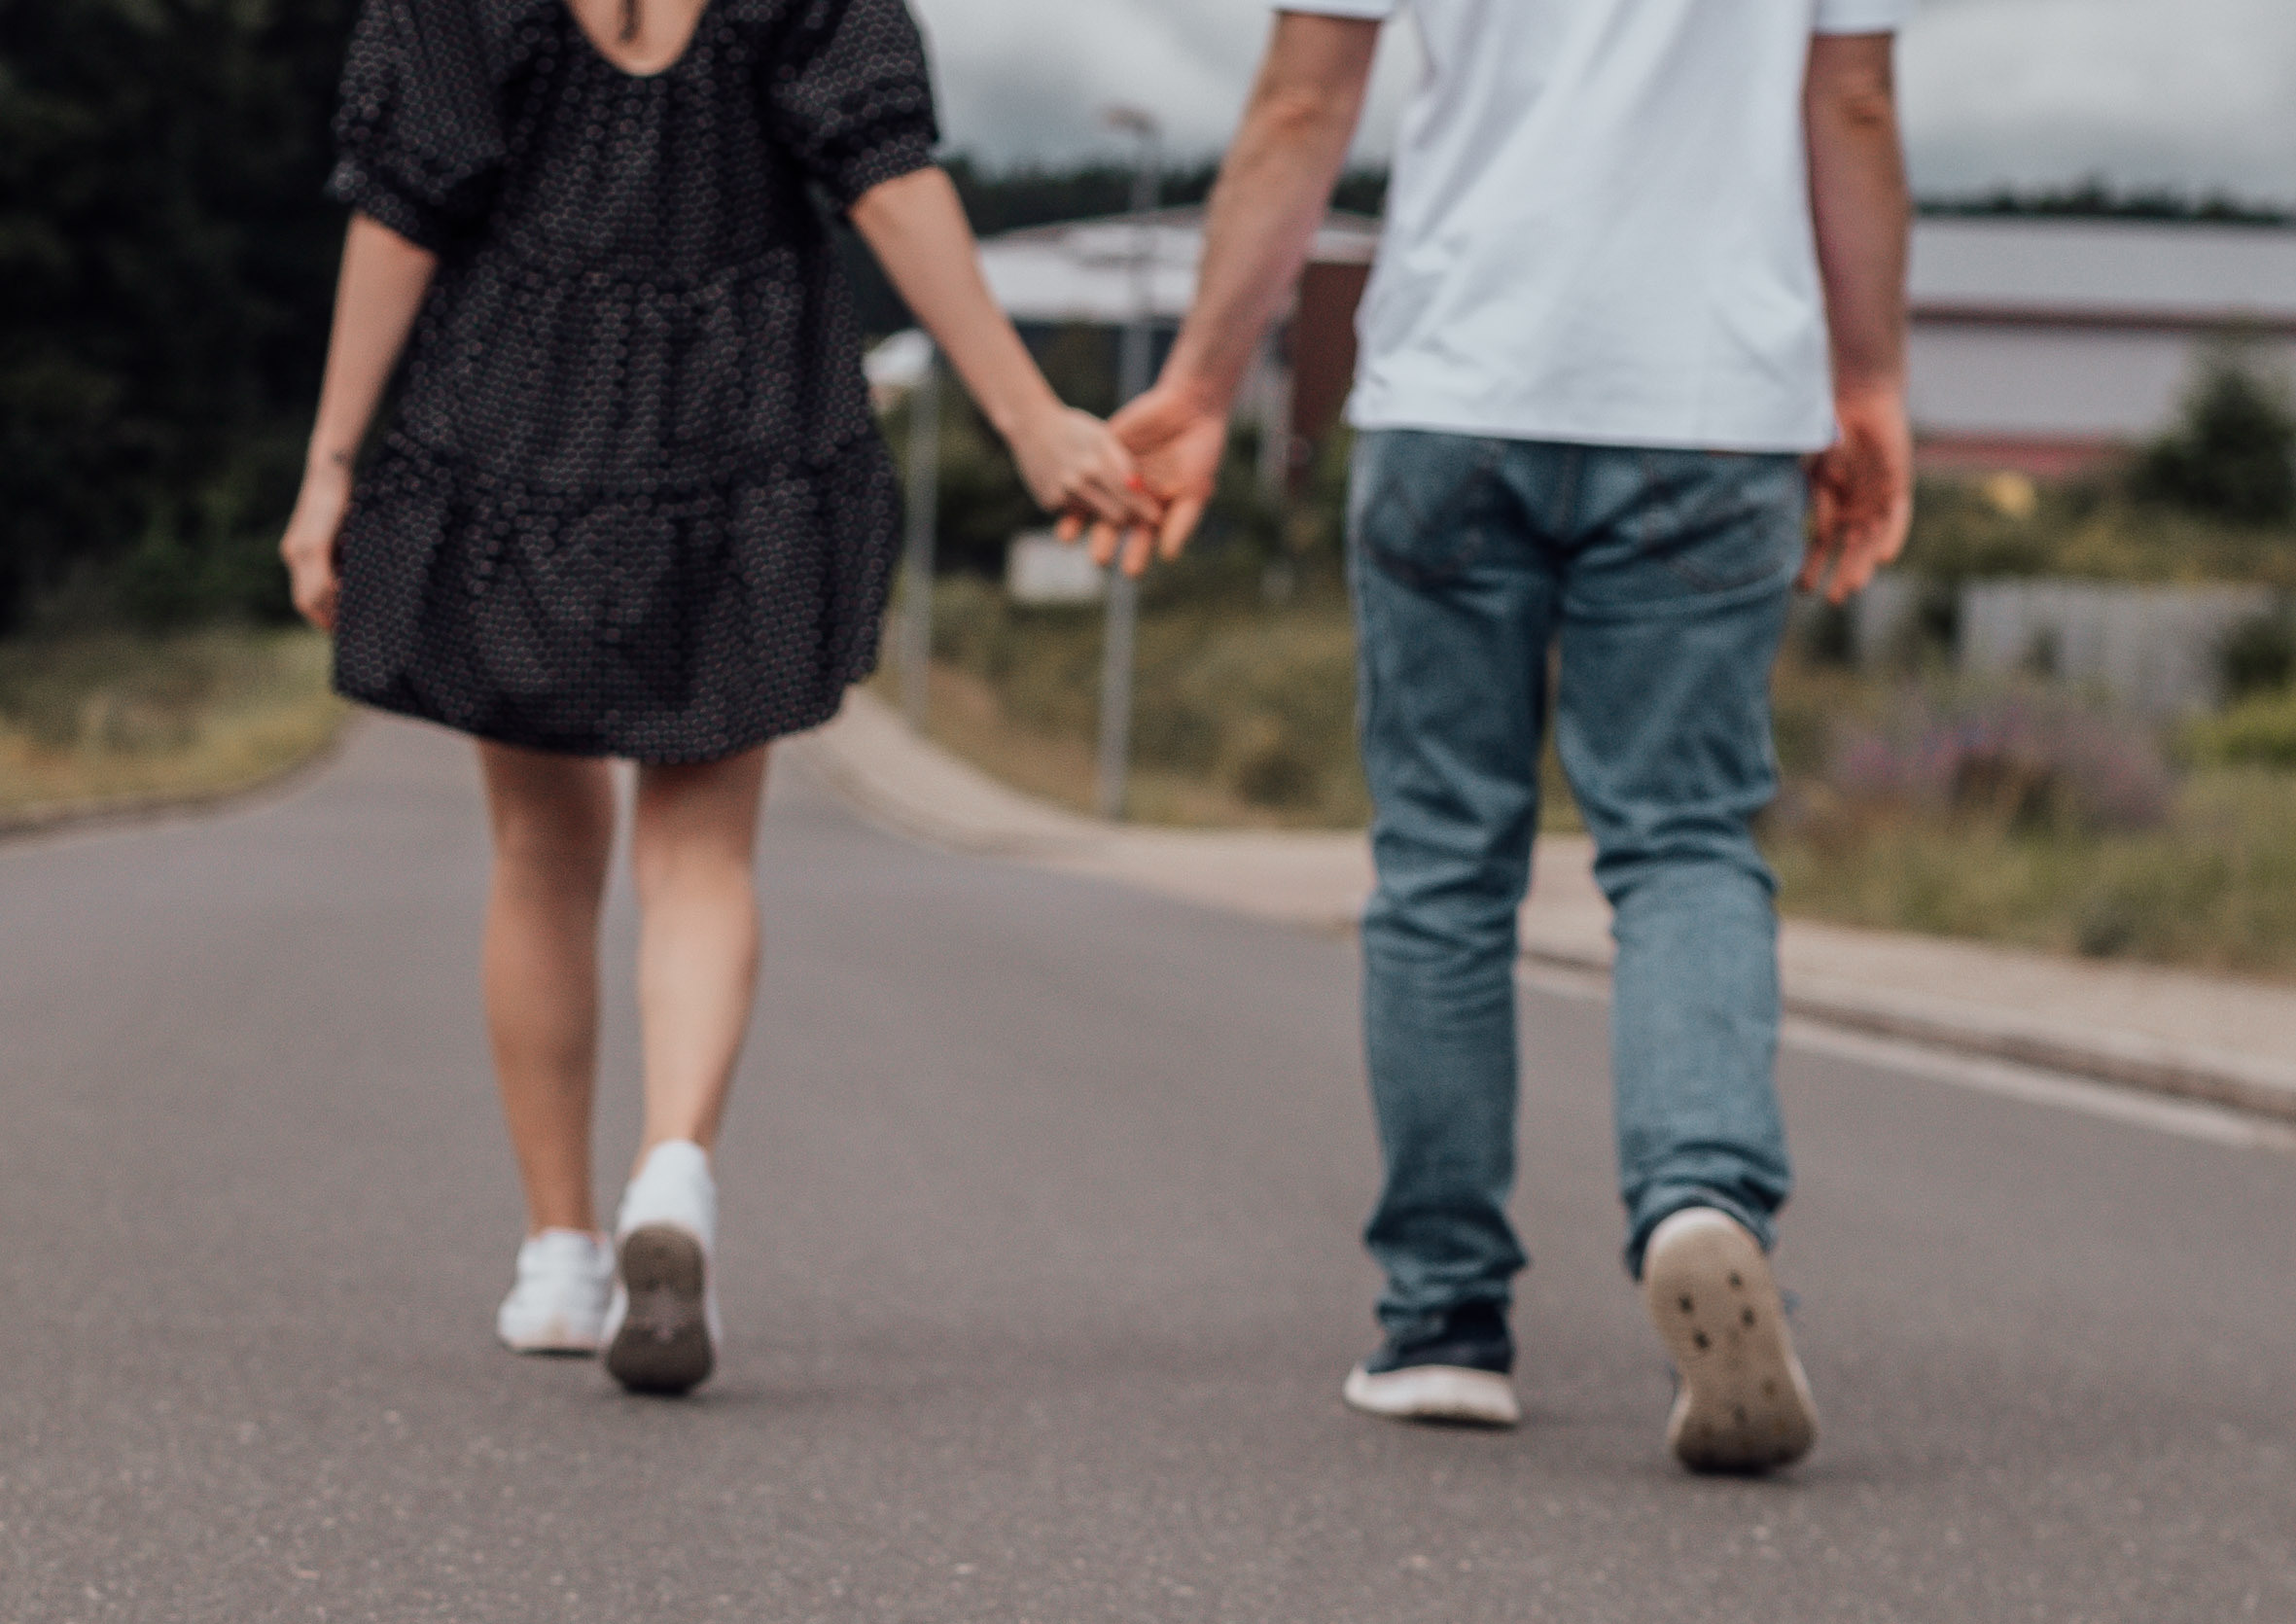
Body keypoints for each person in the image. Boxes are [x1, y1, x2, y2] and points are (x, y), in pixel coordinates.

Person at [1085, 0, 1914, 1473]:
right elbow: (1847, 109)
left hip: (1457, 389)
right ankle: (1700, 1200)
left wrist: (1207, 382)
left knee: (1440, 867)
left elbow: (1299, 104)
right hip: (1713, 403)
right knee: (1680, 840)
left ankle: (1443, 1323)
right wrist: (1866, 382)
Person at [283, 0, 1146, 1394]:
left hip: (520, 425)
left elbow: (400, 208)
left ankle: (558, 1258)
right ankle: (671, 1170)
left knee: (541, 854)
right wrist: (1029, 414)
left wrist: (330, 465)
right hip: (744, 425)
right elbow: (889, 176)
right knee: (699, 855)